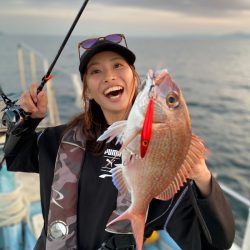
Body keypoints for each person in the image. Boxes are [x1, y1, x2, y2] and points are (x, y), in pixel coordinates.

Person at [4, 34, 235, 250]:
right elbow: (16, 157)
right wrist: (28, 119)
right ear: (87, 92)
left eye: (118, 65)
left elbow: (215, 242)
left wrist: (202, 175)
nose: (109, 76)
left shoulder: (166, 168)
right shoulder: (58, 140)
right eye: (96, 71)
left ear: (135, 78)